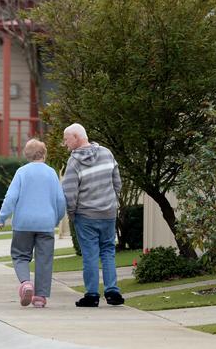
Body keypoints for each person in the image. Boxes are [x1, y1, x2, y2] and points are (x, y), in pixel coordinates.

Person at [0, 139, 66, 308]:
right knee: (44, 259)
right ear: (44, 154)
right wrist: (56, 219)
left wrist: (2, 217)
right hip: (46, 223)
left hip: (23, 224)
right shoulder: (51, 173)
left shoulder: (22, 172)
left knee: (20, 255)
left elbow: (11, 197)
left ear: (26, 155)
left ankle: (26, 283)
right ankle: (40, 297)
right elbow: (60, 200)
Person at [61, 123, 125, 307]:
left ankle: (91, 295)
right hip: (108, 213)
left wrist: (72, 214)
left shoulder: (74, 162)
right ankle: (112, 291)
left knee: (90, 254)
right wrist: (112, 202)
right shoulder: (107, 153)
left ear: (76, 137)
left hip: (86, 215)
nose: (65, 144)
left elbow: (70, 192)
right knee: (108, 251)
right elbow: (117, 183)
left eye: (66, 139)